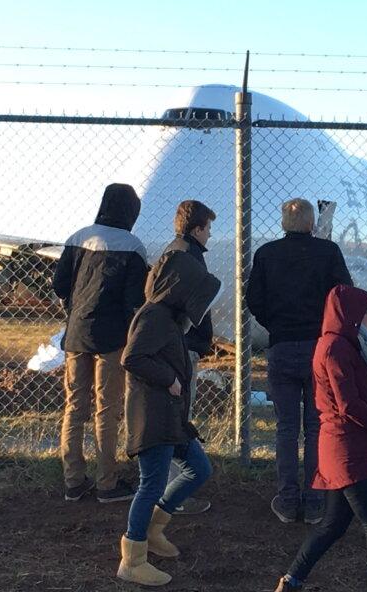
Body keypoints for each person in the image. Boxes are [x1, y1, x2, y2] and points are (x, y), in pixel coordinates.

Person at [274, 285, 367, 592]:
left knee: (332, 525)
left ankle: (291, 581)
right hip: (349, 451)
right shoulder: (336, 348)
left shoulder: (342, 344)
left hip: (345, 450)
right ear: (353, 315)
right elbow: (347, 403)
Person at [117, 247, 221, 586]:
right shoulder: (154, 317)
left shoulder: (166, 316)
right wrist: (171, 379)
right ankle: (132, 559)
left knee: (199, 469)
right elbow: (132, 358)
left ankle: (153, 529)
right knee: (151, 484)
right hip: (153, 416)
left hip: (169, 416)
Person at [247, 198, 352, 525]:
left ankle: (288, 499)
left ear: (283, 223)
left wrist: (276, 325)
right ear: (312, 223)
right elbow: (343, 293)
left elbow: (254, 300)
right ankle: (315, 498)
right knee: (317, 425)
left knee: (286, 427)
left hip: (281, 346)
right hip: (317, 347)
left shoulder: (266, 254)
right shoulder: (328, 253)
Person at [53, 183, 148, 504]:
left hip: (76, 333)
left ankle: (73, 482)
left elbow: (59, 284)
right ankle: (107, 482)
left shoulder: (79, 237)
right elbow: (134, 300)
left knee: (75, 407)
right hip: (112, 338)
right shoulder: (133, 246)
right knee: (106, 410)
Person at [161, 199, 217, 515]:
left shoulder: (176, 252)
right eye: (208, 228)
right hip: (181, 347)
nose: (210, 235)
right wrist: (193, 339)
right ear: (197, 228)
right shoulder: (187, 257)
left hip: (181, 345)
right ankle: (173, 493)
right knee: (177, 418)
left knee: (177, 415)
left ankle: (171, 490)